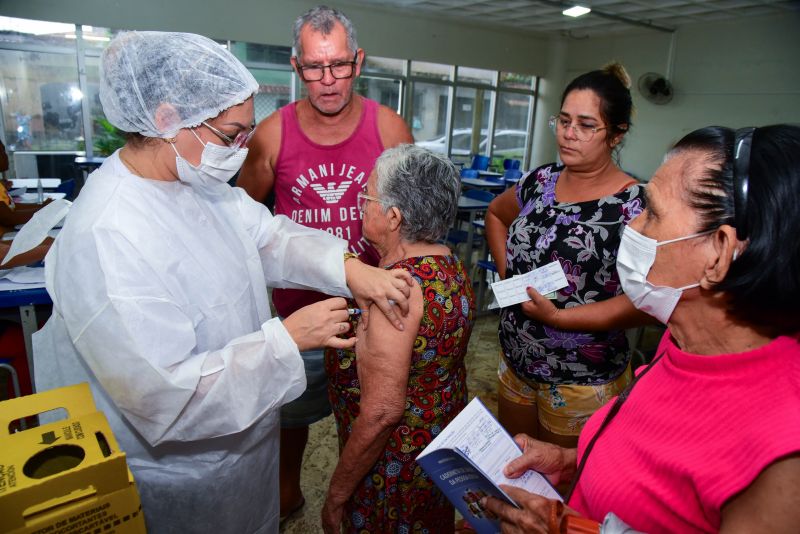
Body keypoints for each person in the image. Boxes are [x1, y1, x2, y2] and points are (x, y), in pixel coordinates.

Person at [32, 31, 414, 534]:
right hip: (178, 472)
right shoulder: (108, 233)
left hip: (244, 441)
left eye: (246, 133)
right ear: (167, 119)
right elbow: (166, 395)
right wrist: (287, 339)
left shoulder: (193, 178)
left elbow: (270, 236)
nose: (240, 149)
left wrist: (346, 268)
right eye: (231, 133)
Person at [482, 125, 800, 533]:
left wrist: (565, 529)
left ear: (719, 253)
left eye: (652, 213)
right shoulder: (681, 341)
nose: (631, 226)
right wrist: (570, 461)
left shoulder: (782, 454)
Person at [236, 5, 414, 519]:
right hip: (301, 315)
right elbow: (240, 221)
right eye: (314, 67)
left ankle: (358, 505)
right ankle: (287, 496)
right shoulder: (273, 133)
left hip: (374, 311)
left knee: (371, 423)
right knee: (287, 420)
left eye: (338, 64)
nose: (329, 80)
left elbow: (414, 223)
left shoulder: (389, 129)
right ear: (296, 67)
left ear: (358, 61)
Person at [485, 63, 651, 448]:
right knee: (514, 464)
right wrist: (510, 277)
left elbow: (647, 302)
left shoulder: (636, 206)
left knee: (561, 480)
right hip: (517, 357)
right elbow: (496, 214)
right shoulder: (540, 181)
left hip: (581, 376)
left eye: (586, 125)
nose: (568, 133)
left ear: (617, 134)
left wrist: (560, 318)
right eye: (563, 121)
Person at [321, 145, 475, 533]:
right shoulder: (449, 264)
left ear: (393, 217)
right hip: (434, 456)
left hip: (391, 472)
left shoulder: (396, 291)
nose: (360, 204)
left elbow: (381, 413)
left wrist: (336, 495)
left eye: (367, 196)